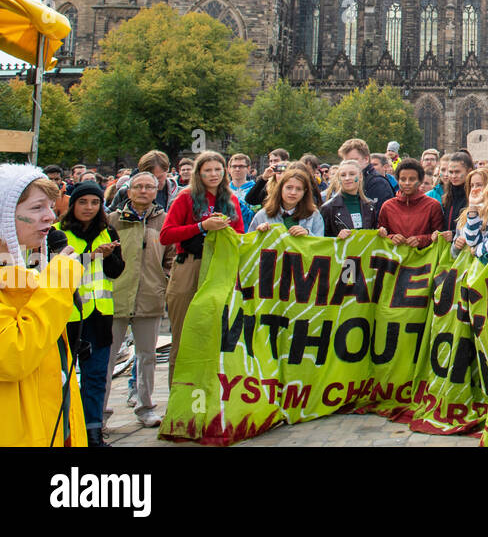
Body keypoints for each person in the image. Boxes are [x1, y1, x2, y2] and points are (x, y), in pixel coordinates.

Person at [0, 165, 88, 447]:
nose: (51, 216)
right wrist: (59, 281)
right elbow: (12, 356)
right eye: (38, 207)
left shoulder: (20, 273)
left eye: (50, 206)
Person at [159, 151, 244, 385]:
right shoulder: (186, 198)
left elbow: (239, 234)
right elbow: (166, 235)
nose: (213, 174)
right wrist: (201, 226)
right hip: (189, 265)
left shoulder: (231, 199)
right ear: (199, 173)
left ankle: (209, 393)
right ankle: (179, 392)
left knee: (213, 334)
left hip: (219, 269)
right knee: (183, 334)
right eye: (208, 170)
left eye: (218, 169)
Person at [104, 171, 172, 429]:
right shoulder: (112, 220)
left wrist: (163, 281)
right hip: (116, 296)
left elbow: (171, 257)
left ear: (156, 191)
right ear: (129, 191)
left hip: (149, 295)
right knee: (108, 357)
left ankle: (145, 407)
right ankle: (101, 412)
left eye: (149, 187)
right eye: (138, 187)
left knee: (147, 356)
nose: (144, 191)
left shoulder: (164, 220)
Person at [59, 180, 125, 446]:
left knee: (96, 376)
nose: (88, 207)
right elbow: (53, 271)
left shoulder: (107, 231)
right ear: (72, 204)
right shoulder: (57, 233)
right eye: (83, 202)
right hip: (68, 315)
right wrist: (91, 255)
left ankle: (93, 432)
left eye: (95, 202)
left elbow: (116, 271)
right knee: (64, 377)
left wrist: (108, 256)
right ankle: (67, 433)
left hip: (99, 314)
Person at [376, 159, 446, 248]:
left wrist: (421, 240)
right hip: (395, 259)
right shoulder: (387, 206)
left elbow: (439, 235)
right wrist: (391, 237)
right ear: (397, 180)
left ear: (420, 181)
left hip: (424, 258)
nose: (407, 183)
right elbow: (380, 234)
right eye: (403, 179)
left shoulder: (433, 205)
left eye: (412, 179)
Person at [249, 163, 325, 237]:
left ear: (304, 192)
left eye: (298, 189)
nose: (293, 193)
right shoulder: (263, 215)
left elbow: (320, 245)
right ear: (281, 188)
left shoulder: (313, 215)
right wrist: (259, 234)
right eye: (289, 187)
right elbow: (250, 243)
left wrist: (308, 234)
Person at [321, 160, 380, 238]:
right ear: (338, 178)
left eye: (352, 174)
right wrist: (336, 238)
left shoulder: (370, 206)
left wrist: (380, 233)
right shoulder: (328, 208)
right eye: (343, 175)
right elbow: (322, 240)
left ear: (360, 177)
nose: (347, 178)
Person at [337, 138, 395, 208]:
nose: (349, 164)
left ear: (366, 159)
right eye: (346, 161)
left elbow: (378, 216)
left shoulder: (378, 183)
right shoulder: (347, 181)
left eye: (353, 160)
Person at [451, 167, 488, 251]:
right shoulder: (465, 215)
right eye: (472, 185)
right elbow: (453, 254)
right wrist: (456, 245)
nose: (474, 189)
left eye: (479, 185)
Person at [440, 151, 472, 226]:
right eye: (451, 172)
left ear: (469, 171)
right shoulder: (448, 196)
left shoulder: (472, 195)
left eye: (457, 172)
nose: (453, 176)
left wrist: (453, 233)